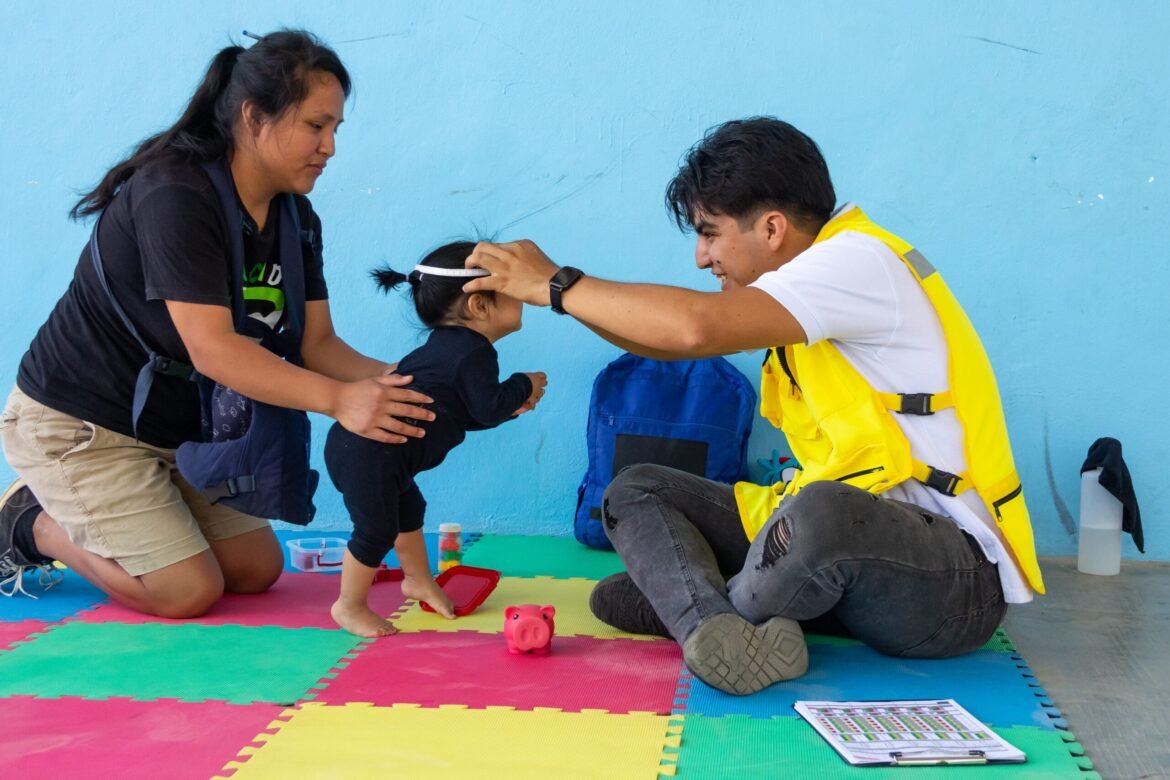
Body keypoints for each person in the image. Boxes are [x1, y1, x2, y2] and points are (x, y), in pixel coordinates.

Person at [464, 117, 1045, 696]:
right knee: (634, 490)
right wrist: (561, 300)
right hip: (842, 557)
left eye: (709, 233)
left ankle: (700, 608)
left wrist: (557, 284)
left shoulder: (856, 263)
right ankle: (715, 627)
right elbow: (665, 343)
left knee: (821, 513)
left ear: (771, 228)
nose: (701, 257)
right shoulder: (806, 287)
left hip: (952, 586)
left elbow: (694, 328)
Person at [0, 31, 435, 616]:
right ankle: (29, 520)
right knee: (187, 591)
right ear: (254, 117)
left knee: (256, 571)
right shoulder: (174, 192)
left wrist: (420, 385)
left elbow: (317, 344)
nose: (330, 147)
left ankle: (135, 514)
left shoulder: (295, 217)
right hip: (82, 424)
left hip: (179, 433)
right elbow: (214, 350)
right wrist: (340, 401)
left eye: (336, 129)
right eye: (315, 126)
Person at [325, 241, 546, 637]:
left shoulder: (449, 350)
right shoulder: (472, 354)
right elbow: (487, 408)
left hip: (370, 451)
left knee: (409, 510)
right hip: (369, 454)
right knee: (375, 531)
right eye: (510, 288)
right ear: (479, 305)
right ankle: (349, 605)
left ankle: (417, 580)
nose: (521, 297)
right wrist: (522, 384)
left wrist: (510, 408)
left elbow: (462, 415)